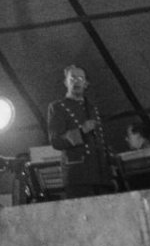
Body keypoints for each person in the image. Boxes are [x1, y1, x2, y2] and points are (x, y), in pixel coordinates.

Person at [47, 64, 110, 192]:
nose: (76, 81)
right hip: (77, 175)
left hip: (101, 174)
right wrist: (81, 132)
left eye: (80, 78)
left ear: (86, 83)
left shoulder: (92, 107)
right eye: (72, 78)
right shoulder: (57, 107)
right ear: (66, 83)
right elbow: (56, 141)